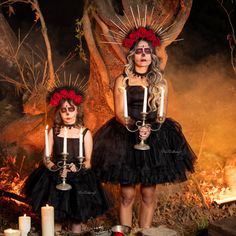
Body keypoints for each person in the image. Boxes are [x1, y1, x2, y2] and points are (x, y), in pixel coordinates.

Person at [92, 27, 197, 228]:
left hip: (154, 135)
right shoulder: (122, 80)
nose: (143, 55)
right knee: (127, 194)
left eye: (147, 51)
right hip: (125, 135)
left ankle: (144, 233)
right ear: (132, 55)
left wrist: (150, 128)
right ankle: (125, 232)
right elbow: (119, 113)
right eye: (139, 51)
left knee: (148, 193)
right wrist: (134, 126)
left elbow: (162, 113)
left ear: (152, 56)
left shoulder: (160, 81)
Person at [23, 86, 112, 233]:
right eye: (64, 110)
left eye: (71, 109)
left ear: (78, 110)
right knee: (54, 217)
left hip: (79, 178)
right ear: (59, 112)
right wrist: (55, 168)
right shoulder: (54, 131)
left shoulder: (85, 133)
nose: (68, 113)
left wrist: (77, 168)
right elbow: (46, 158)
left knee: (76, 219)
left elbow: (88, 161)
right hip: (55, 176)